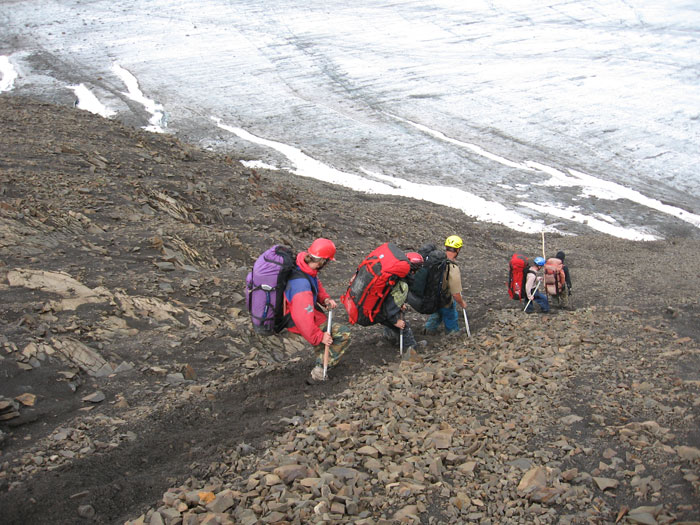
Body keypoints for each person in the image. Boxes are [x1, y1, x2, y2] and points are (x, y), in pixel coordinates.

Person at [284, 238, 351, 384]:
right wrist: (319, 337)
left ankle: (321, 358)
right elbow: (302, 318)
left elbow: (316, 284)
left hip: (308, 312)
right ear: (322, 261)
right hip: (297, 319)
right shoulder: (301, 286)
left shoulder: (304, 266)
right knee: (343, 334)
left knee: (327, 334)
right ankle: (319, 372)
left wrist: (325, 299)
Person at [377, 252, 427, 354]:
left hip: (378, 309)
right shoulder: (402, 284)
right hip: (383, 312)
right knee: (404, 327)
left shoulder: (394, 276)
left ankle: (390, 336)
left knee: (395, 321)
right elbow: (390, 307)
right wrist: (395, 321)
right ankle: (411, 350)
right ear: (414, 270)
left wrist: (400, 304)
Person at [424, 235, 468, 335]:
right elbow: (456, 294)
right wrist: (462, 303)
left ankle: (428, 330)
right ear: (458, 249)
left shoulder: (436, 260)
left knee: (437, 313)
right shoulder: (452, 267)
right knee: (451, 315)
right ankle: (453, 335)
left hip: (433, 296)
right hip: (445, 299)